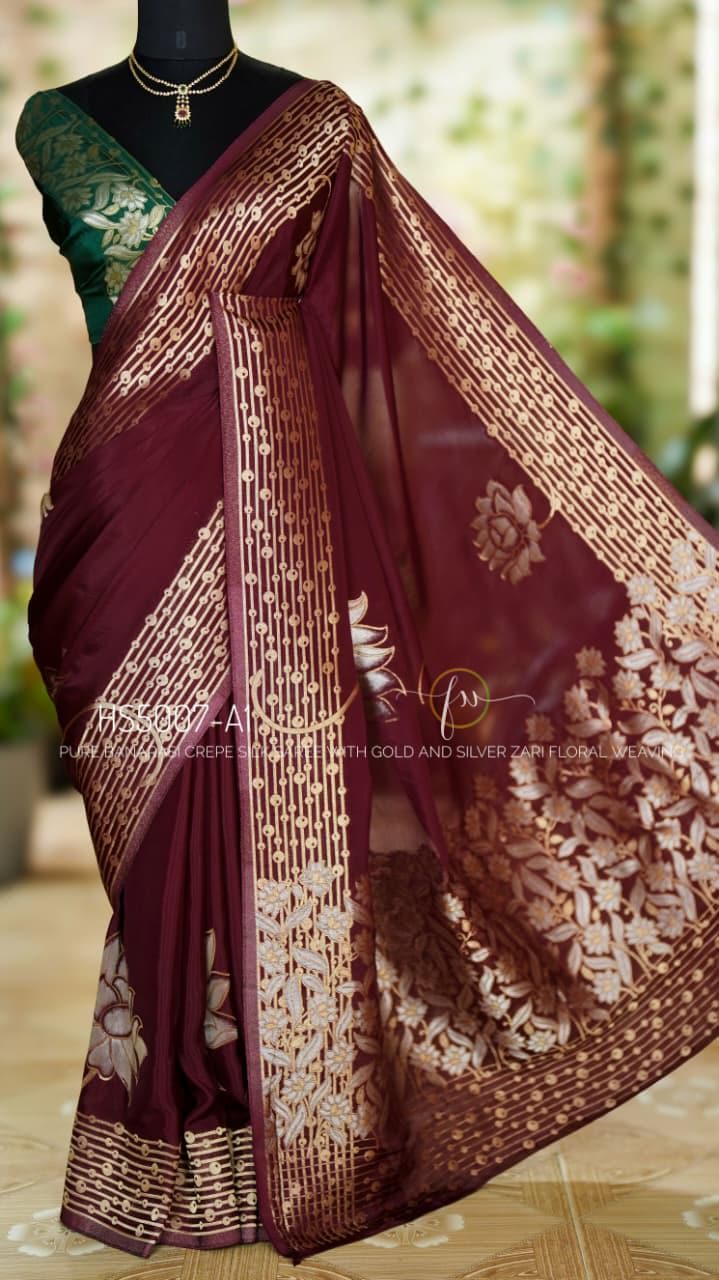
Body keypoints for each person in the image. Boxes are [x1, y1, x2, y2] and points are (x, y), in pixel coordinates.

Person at [14, 2, 719, 1265]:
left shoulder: (315, 124)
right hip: (120, 504)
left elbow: (406, 320)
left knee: (281, 795)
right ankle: (189, 1121)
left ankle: (288, 1122)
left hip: (278, 498)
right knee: (156, 805)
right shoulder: (52, 124)